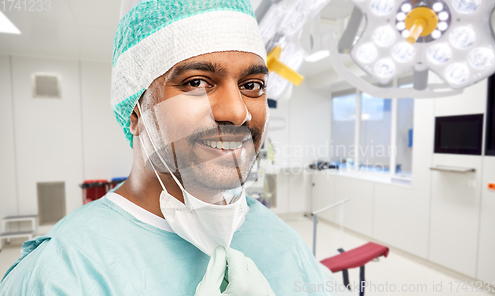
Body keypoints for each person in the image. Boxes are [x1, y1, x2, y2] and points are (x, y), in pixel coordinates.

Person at [0, 0, 333, 295]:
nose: (236, 110)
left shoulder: (282, 243)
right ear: (136, 112)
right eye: (197, 82)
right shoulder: (68, 269)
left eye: (252, 85)